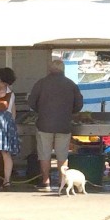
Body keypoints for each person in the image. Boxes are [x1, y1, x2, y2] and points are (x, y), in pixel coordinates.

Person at [28, 60, 84, 189]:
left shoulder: (41, 83)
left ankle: (46, 181)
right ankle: (62, 181)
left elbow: (31, 102)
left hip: (44, 124)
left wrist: (41, 110)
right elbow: (79, 105)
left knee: (44, 155)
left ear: (49, 69)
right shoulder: (71, 84)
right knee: (62, 154)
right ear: (63, 69)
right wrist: (70, 112)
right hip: (64, 124)